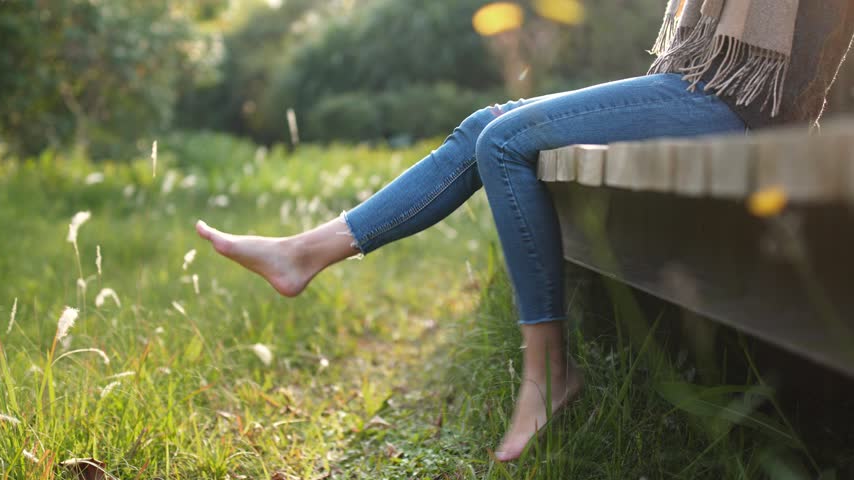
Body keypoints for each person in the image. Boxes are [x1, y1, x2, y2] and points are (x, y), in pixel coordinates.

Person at [196, 0, 854, 462]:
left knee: (507, 140)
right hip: (701, 91)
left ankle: (549, 372)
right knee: (487, 125)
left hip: (741, 108)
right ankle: (304, 252)